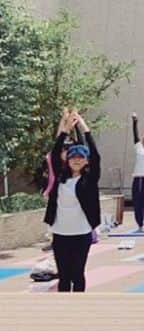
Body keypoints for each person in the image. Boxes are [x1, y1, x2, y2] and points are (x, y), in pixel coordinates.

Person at [45, 110, 100, 292]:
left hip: (81, 233)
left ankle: (78, 310)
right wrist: (66, 129)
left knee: (77, 274)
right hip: (60, 233)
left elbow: (96, 156)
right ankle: (63, 312)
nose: (76, 160)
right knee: (64, 276)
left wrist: (83, 126)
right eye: (73, 157)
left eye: (81, 157)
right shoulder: (61, 177)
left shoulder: (89, 181)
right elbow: (54, 154)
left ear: (86, 162)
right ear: (67, 160)